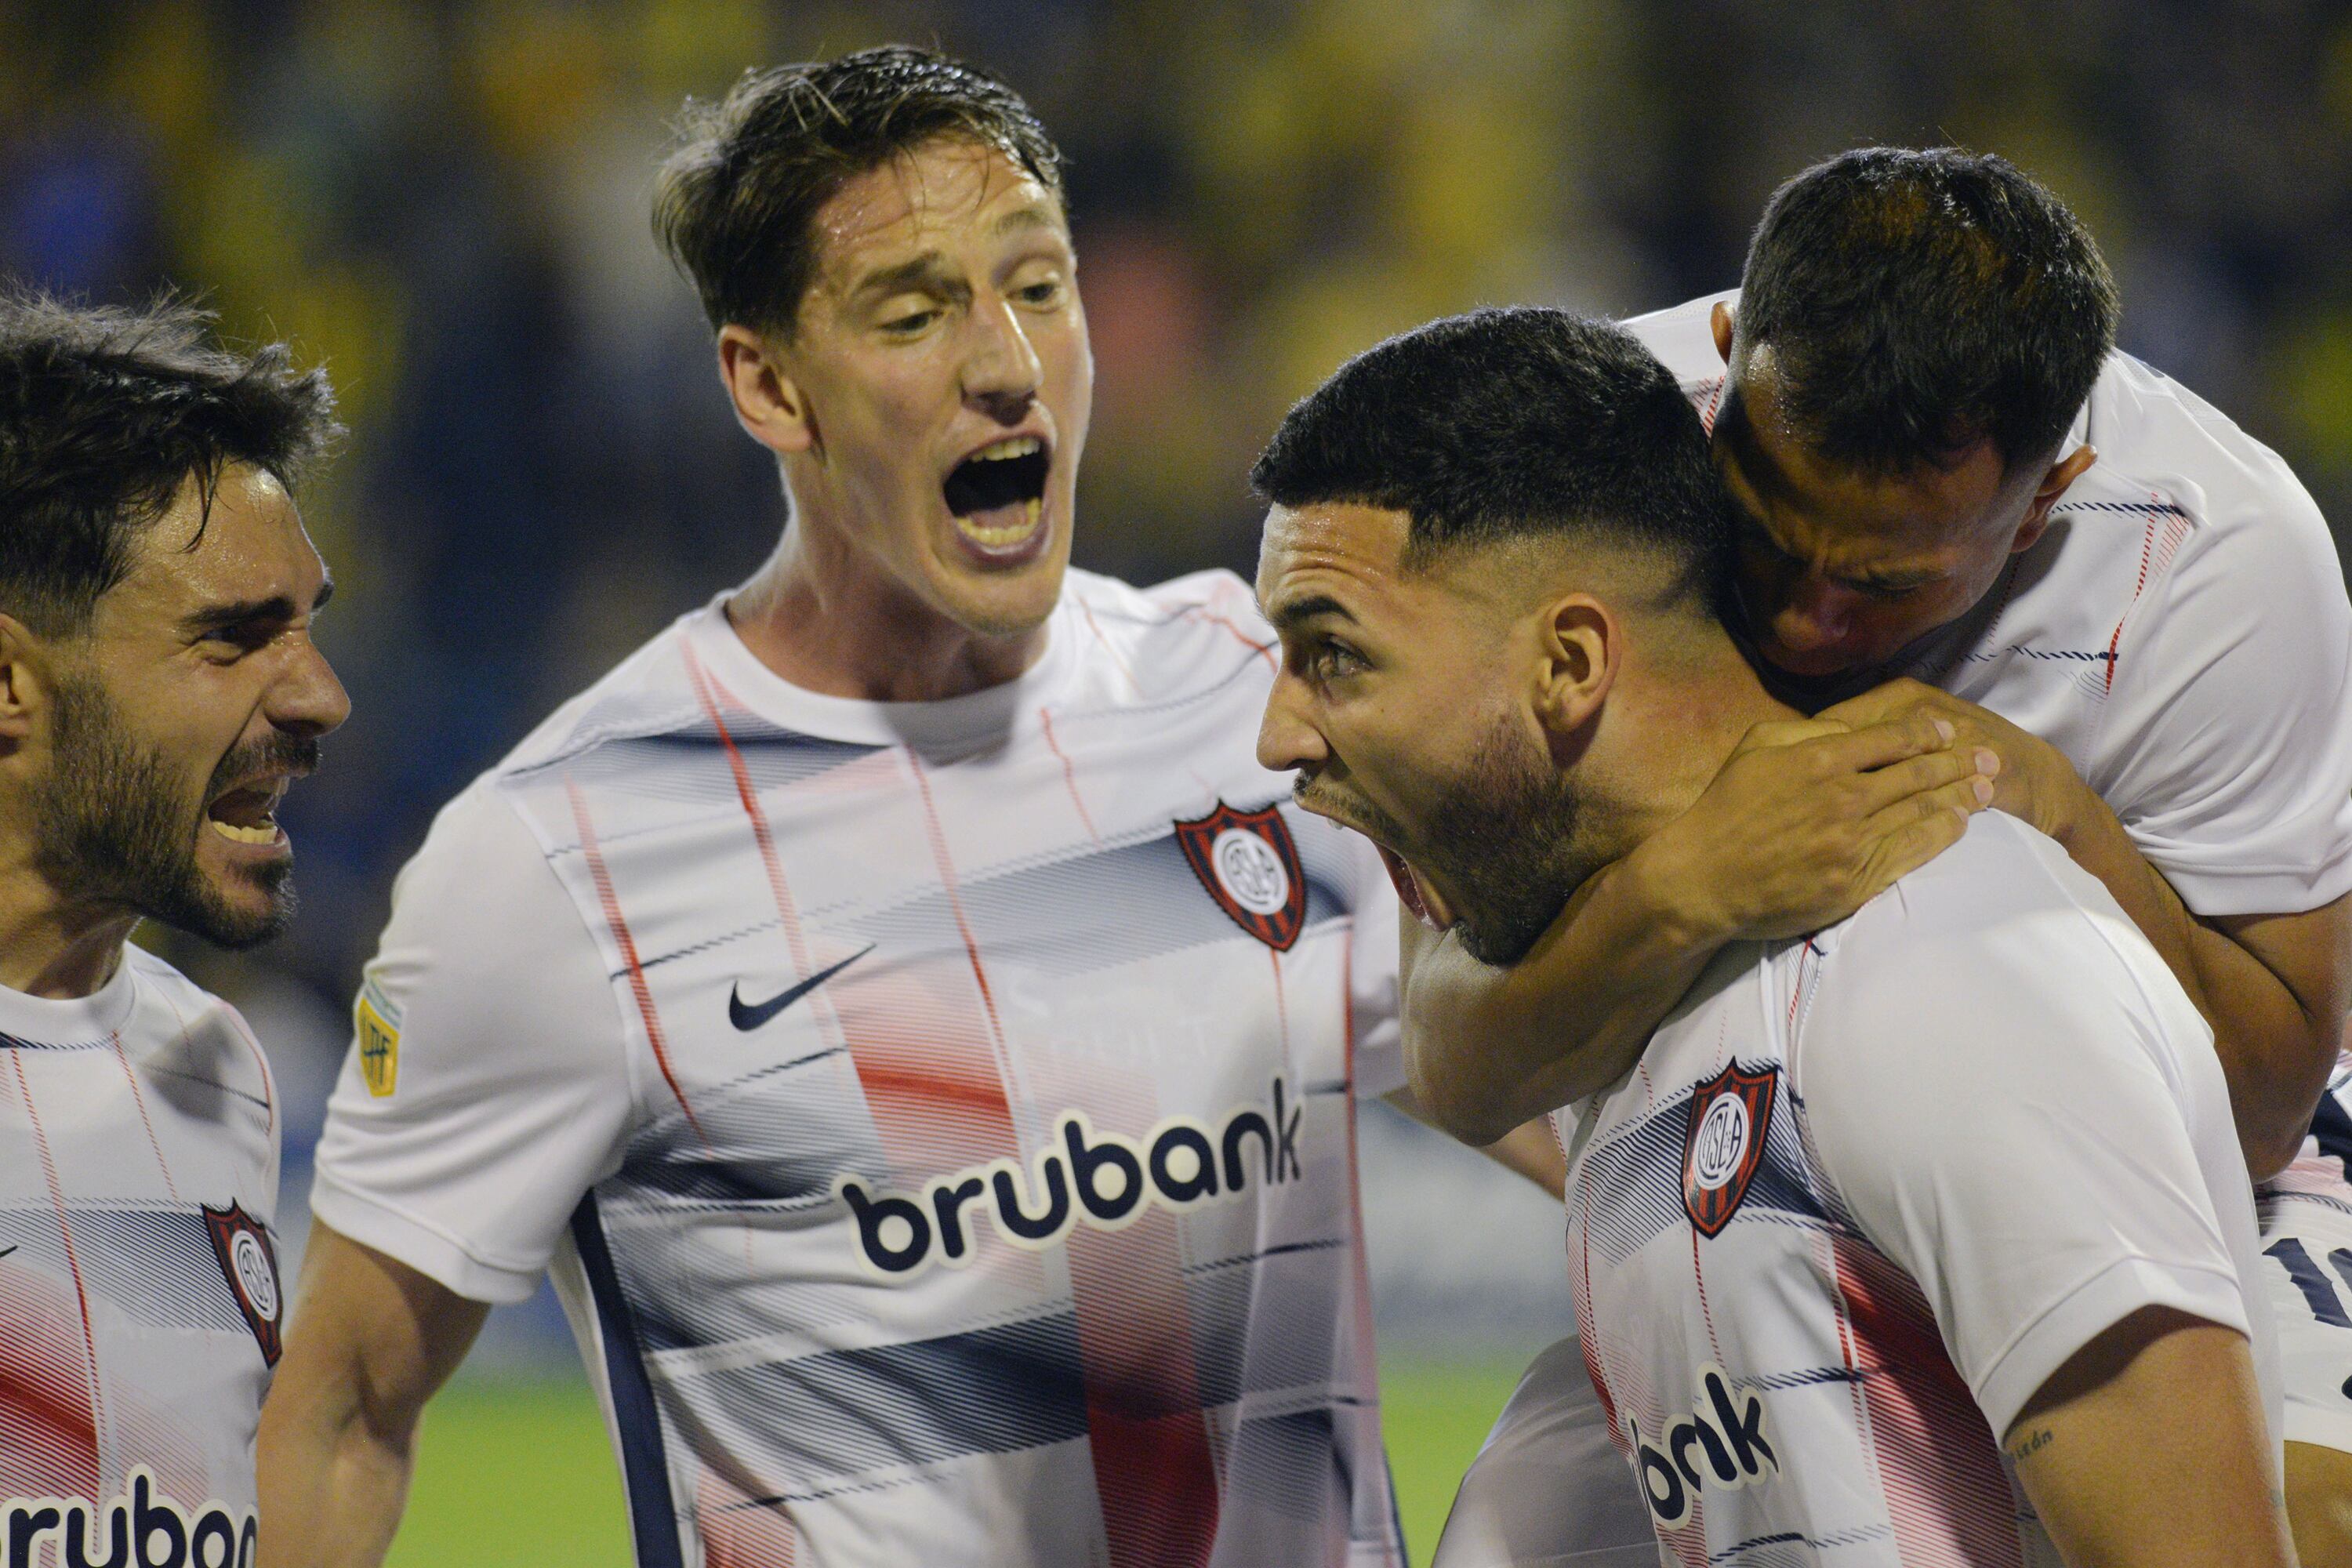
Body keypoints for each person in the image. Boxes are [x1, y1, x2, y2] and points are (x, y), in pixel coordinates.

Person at [258, 45, 1568, 1568]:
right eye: (916, 310)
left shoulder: (1259, 703)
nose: (1006, 360)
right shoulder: (561, 858)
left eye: (1039, 285)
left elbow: (1592, 1124)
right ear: (767, 383)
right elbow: (345, 1406)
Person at [1397, 149, 2352, 1567]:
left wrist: (2057, 817)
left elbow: (2271, 1102)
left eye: (1888, 582)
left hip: (2189, 1166)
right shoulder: (1573, 484)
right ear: (1729, 361)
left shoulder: (2223, 562)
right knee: (1514, 1539)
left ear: (2047, 500)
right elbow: (1457, 1060)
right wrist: (1690, 883)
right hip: (1752, 1157)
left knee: (2304, 1516)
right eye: (1771, 538)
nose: (1809, 621)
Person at [0, 292, 349, 1565]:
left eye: (309, 626)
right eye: (233, 640)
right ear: (11, 686)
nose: (322, 696)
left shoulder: (218, 1073)